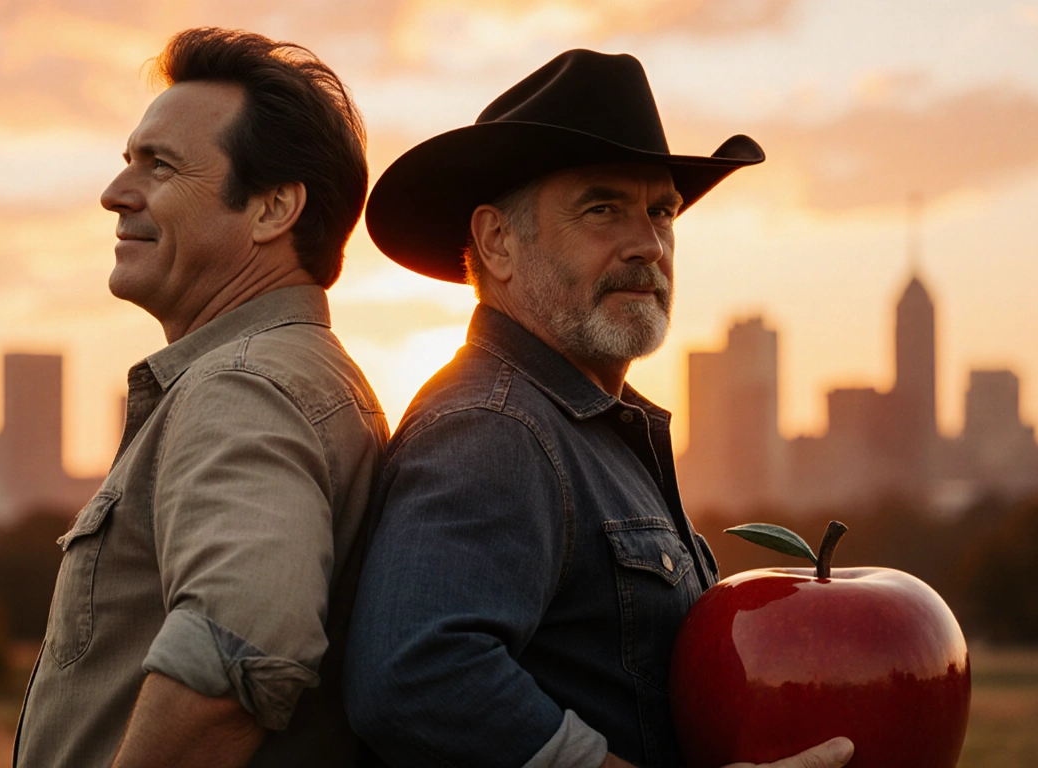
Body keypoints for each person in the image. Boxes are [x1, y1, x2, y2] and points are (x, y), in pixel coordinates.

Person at [344, 50, 853, 768]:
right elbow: (416, 675)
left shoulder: (589, 428)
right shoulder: (494, 427)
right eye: (603, 208)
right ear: (497, 242)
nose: (648, 244)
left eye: (662, 211)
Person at [14, 28, 388, 767]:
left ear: (273, 208)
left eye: (160, 167)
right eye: (128, 162)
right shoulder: (289, 376)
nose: (115, 193)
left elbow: (234, 658)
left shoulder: (245, 389)